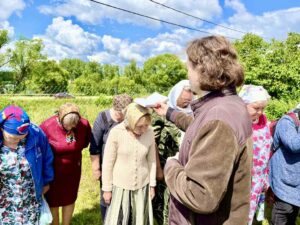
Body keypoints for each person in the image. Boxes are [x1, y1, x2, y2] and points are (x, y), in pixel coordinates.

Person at [154, 35, 253, 225]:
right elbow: (198, 127)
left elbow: (200, 196)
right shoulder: (227, 105)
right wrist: (169, 112)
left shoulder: (218, 119)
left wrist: (171, 165)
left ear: (203, 68)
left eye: (189, 67)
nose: (188, 73)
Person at [102, 103, 156, 225]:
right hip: (120, 186)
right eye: (139, 126)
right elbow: (107, 163)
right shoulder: (116, 132)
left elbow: (151, 160)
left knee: (140, 220)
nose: (143, 130)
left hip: (142, 185)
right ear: (131, 122)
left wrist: (152, 185)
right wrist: (107, 189)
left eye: (146, 125)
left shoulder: (150, 132)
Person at [0, 105, 54, 224]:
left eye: (21, 138)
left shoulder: (36, 133)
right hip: (5, 199)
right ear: (2, 129)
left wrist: (46, 181)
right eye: (13, 138)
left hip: (30, 197)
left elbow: (46, 158)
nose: (18, 141)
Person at [40, 103, 91, 225]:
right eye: (67, 126)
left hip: (73, 170)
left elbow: (85, 142)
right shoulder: (47, 126)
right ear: (59, 118)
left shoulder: (84, 124)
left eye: (74, 126)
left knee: (70, 198)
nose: (70, 129)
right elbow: (40, 149)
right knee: (53, 201)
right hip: (53, 171)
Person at [152, 80, 194, 225]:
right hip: (165, 163)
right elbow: (152, 142)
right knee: (164, 199)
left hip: (187, 165)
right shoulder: (162, 113)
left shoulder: (193, 114)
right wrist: (157, 168)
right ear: (175, 95)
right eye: (183, 100)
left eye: (189, 100)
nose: (186, 103)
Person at [89, 93, 133, 220]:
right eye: (123, 114)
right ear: (117, 110)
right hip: (108, 167)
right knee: (107, 198)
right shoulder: (103, 118)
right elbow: (94, 146)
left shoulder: (130, 119)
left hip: (126, 167)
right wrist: (96, 169)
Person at [239, 85, 273, 224]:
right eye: (256, 108)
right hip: (243, 179)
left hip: (259, 178)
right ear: (244, 104)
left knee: (250, 213)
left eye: (262, 108)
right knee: (239, 212)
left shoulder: (264, 122)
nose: (260, 112)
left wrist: (266, 176)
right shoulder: (239, 123)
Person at [269, 103, 300, 225]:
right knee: (284, 209)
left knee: (292, 211)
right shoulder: (287, 121)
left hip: (296, 179)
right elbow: (293, 145)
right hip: (285, 177)